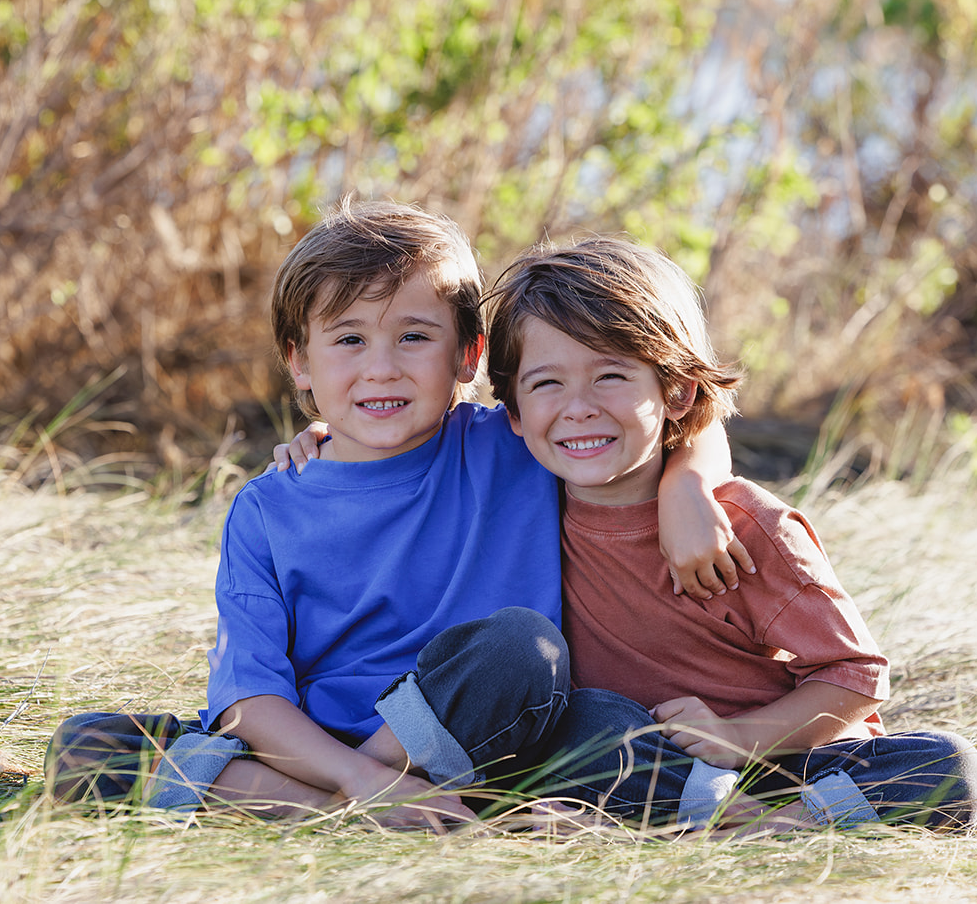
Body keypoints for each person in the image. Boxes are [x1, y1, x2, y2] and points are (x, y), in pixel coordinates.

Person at [43, 202, 745, 827]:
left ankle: (342, 801)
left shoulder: (514, 442)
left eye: (413, 336)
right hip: (322, 752)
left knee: (537, 662)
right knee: (88, 746)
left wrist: (688, 486)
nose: (381, 367)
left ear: (468, 354)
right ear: (299, 362)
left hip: (499, 728)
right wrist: (358, 778)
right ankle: (360, 807)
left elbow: (671, 415)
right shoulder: (267, 507)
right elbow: (247, 700)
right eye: (348, 339)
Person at [374, 236, 977, 830]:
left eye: (611, 376)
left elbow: (855, 680)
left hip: (783, 761)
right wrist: (316, 440)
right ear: (511, 411)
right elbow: (394, 434)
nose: (578, 406)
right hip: (640, 755)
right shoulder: (525, 502)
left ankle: (776, 824)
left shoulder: (743, 527)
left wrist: (737, 739)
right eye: (546, 383)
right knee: (587, 720)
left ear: (676, 392)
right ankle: (702, 815)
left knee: (950, 765)